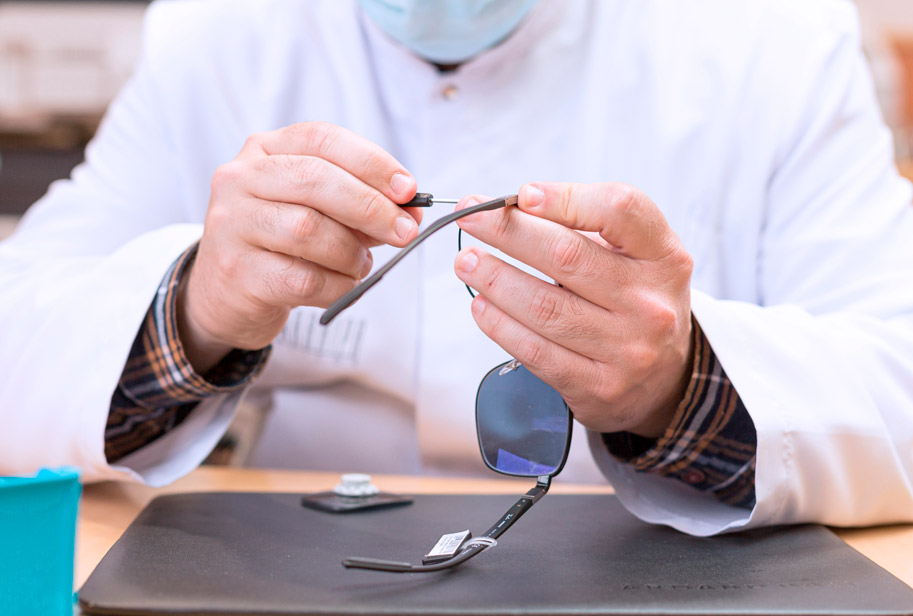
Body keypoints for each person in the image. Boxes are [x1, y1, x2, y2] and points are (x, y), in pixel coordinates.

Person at [1, 0, 912, 537]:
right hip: (290, 564)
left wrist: (677, 389)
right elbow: (18, 342)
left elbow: (898, 374)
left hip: (657, 565)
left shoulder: (766, 35)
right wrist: (195, 310)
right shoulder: (222, 30)